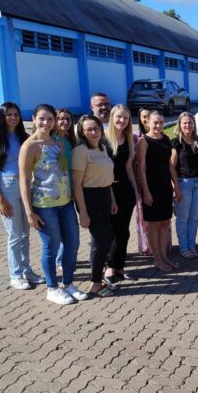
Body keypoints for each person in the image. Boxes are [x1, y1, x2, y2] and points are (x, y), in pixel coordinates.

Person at [19, 104, 85, 304]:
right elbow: (23, 180)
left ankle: (68, 284)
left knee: (72, 243)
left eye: (50, 119)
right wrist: (29, 212)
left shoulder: (58, 143)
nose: (46, 123)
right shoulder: (30, 146)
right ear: (34, 119)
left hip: (65, 202)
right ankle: (52, 288)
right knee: (51, 246)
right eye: (42, 118)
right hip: (44, 205)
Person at [0, 102, 44, 290]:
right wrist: (0, 198)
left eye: (16, 114)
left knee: (26, 233)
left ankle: (27, 271)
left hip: (25, 187)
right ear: (2, 117)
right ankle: (15, 275)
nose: (13, 118)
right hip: (7, 188)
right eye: (8, 114)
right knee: (15, 234)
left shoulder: (24, 137)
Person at [72, 115, 118, 297]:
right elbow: (77, 184)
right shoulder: (80, 152)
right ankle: (95, 284)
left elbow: (108, 178)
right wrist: (83, 212)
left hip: (105, 195)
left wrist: (113, 200)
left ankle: (98, 279)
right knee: (102, 240)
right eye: (88, 129)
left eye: (96, 128)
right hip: (89, 198)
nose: (93, 132)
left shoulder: (103, 148)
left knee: (106, 238)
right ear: (82, 132)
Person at [137, 111, 179, 271]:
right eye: (155, 122)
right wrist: (146, 191)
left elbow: (169, 166)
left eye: (161, 122)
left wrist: (176, 185)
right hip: (151, 188)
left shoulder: (166, 139)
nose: (158, 125)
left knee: (165, 223)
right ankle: (157, 259)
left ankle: (164, 257)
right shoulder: (143, 141)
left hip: (165, 187)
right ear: (147, 122)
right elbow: (141, 169)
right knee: (154, 225)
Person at [103, 105, 138, 286]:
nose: (122, 121)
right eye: (118, 117)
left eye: (125, 117)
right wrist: (111, 197)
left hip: (126, 190)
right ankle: (109, 267)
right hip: (110, 189)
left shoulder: (128, 139)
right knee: (115, 231)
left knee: (124, 231)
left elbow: (128, 167)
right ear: (112, 117)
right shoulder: (103, 140)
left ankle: (120, 266)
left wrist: (135, 190)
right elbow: (103, 170)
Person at [171, 112, 198, 259]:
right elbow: (171, 166)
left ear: (194, 124)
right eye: (185, 123)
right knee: (183, 217)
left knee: (194, 217)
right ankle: (184, 248)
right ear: (180, 125)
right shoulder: (176, 143)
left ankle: (192, 246)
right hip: (184, 183)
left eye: (190, 122)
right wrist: (176, 186)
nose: (188, 125)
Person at [53, 108, 77, 272]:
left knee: (68, 227)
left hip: (69, 188)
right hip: (55, 189)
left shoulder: (70, 140)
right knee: (59, 228)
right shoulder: (51, 140)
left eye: (68, 119)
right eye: (61, 118)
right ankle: (59, 259)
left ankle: (63, 257)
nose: (65, 122)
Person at [134, 107, 152, 255]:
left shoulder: (162, 135)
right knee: (144, 216)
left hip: (158, 181)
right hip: (141, 181)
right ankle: (147, 247)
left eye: (149, 116)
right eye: (144, 116)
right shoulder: (135, 137)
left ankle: (162, 245)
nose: (146, 119)